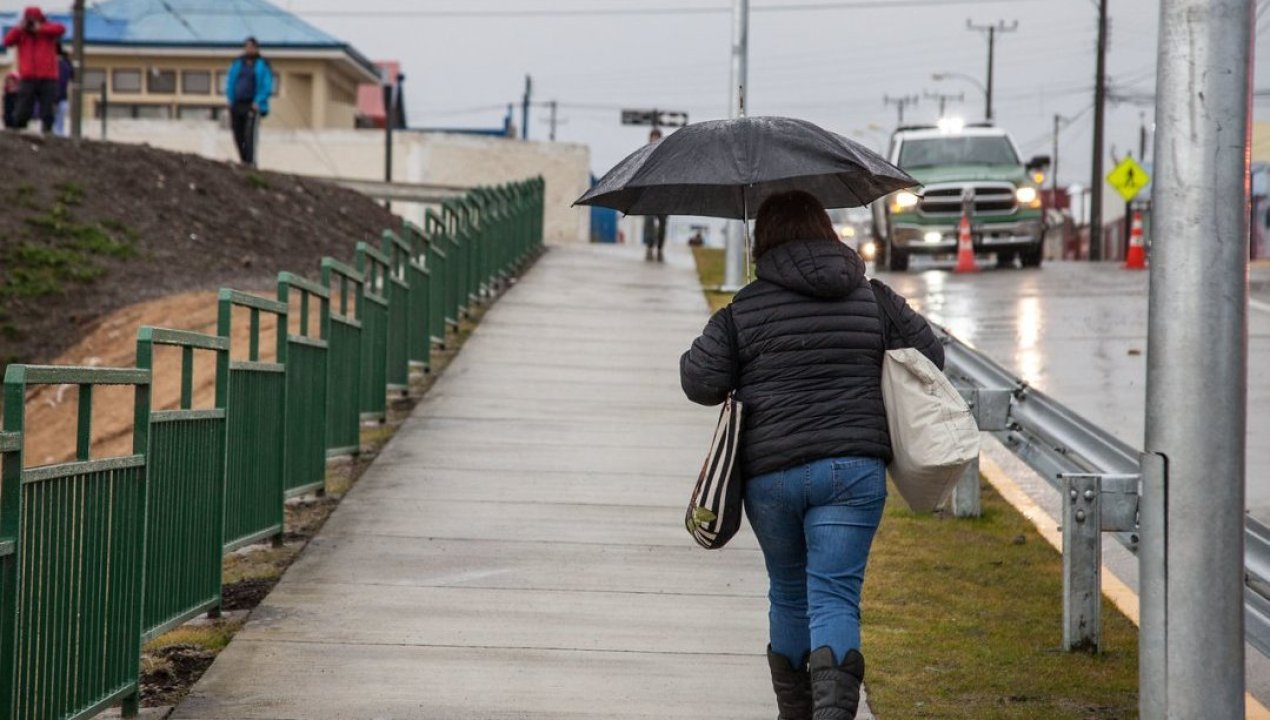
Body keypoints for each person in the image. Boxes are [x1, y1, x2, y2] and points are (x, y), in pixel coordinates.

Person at [679, 190, 943, 719]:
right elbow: (931, 355)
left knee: (789, 592)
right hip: (854, 470)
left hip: (770, 477)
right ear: (828, 231)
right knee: (835, 596)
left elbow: (699, 382)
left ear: (762, 242)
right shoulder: (873, 296)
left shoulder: (744, 308)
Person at [2, 6, 66, 133]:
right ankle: (18, 131)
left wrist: (41, 29)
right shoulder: (21, 33)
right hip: (28, 76)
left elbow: (61, 29)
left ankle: (47, 132)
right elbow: (7, 41)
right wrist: (19, 28)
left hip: (48, 76)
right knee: (23, 107)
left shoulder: (48, 30)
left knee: (47, 109)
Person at [225, 36, 273, 165]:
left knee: (250, 135)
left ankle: (250, 162)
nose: (249, 49)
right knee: (237, 133)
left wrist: (258, 101)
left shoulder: (262, 64)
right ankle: (243, 160)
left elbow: (267, 85)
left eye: (251, 47)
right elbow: (230, 82)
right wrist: (230, 99)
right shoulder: (237, 63)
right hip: (237, 103)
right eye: (246, 47)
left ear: (256, 48)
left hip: (252, 104)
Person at [643, 127, 669, 262]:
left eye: (657, 138)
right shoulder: (644, 155)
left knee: (663, 223)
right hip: (649, 194)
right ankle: (649, 247)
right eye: (652, 138)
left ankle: (659, 249)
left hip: (664, 194)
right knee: (648, 222)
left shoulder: (666, 156)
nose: (654, 140)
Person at [52, 44, 72, 136]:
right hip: (63, 97)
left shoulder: (57, 64)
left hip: (55, 97)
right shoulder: (66, 63)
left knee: (55, 123)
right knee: (60, 124)